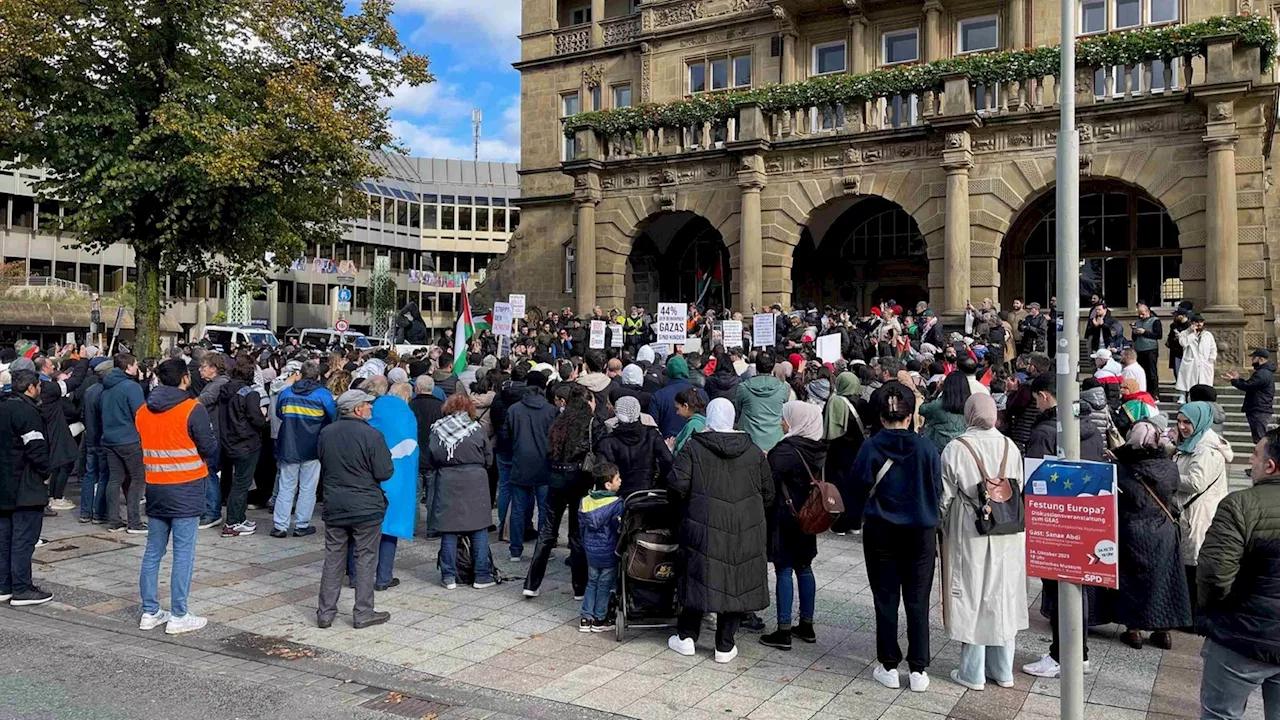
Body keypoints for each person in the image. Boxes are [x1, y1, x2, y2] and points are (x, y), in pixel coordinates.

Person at [848, 381, 942, 692]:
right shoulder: (927, 447)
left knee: (885, 599)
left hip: (881, 532)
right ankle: (918, 669)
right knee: (918, 601)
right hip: (921, 532)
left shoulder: (871, 447)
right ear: (910, 414)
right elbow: (937, 489)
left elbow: (857, 488)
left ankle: (888, 664)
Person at [668, 398, 774, 664]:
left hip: (702, 524)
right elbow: (768, 493)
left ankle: (687, 637)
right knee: (735, 581)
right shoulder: (752, 452)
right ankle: (725, 644)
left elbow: (676, 486)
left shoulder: (694, 448)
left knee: (697, 576)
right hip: (743, 527)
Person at [940, 394, 1027, 691]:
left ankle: (972, 672)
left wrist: (938, 527)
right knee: (1003, 595)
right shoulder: (1010, 446)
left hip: (969, 528)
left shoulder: (957, 448)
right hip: (1008, 529)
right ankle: (1003, 670)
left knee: (972, 594)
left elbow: (944, 495)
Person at [1196, 426, 1280, 720]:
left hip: (1242, 636)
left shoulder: (1240, 505)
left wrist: (1214, 611)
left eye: (1255, 454)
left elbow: (1214, 572)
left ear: (1270, 466)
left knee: (1221, 715)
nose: (1250, 459)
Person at [136, 358, 220, 634]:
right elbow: (208, 448)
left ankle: (149, 611)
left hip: (156, 487)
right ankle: (179, 614)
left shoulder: (143, 411)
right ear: (185, 379)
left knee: (153, 552)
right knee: (183, 554)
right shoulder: (192, 409)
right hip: (186, 488)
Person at [316, 389, 394, 629]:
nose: (371, 408)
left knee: (333, 558)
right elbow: (384, 472)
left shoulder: (326, 433)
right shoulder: (372, 435)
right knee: (365, 557)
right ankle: (363, 612)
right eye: (368, 405)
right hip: (365, 506)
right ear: (358, 409)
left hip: (335, 503)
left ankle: (325, 613)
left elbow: (323, 461)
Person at [1112, 421, 1192, 650]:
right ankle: (1162, 631)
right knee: (1164, 578)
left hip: (1131, 529)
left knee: (1131, 579)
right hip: (1163, 528)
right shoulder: (1170, 467)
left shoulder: (1123, 468)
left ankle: (1134, 630)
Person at [759, 401, 826, 651]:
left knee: (784, 569)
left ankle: (783, 630)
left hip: (785, 515)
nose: (782, 422)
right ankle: (806, 625)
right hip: (809, 514)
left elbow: (768, 478)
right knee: (805, 567)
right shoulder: (816, 447)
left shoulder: (786, 450)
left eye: (785, 418)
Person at [523, 385, 597, 599]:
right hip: (579, 480)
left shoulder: (558, 422)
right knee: (576, 533)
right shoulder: (591, 423)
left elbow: (549, 451)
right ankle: (579, 587)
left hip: (555, 479)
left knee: (547, 531)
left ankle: (531, 583)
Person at [424, 392, 495, 590]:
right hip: (475, 480)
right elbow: (488, 456)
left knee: (449, 529)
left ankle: (449, 576)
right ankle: (481, 575)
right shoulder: (476, 429)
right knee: (478, 528)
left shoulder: (437, 430)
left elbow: (431, 457)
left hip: (447, 480)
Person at [354, 382, 419, 592]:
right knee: (390, 528)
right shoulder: (408, 416)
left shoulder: (374, 409)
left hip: (368, 478)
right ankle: (383, 577)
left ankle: (356, 576)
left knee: (361, 530)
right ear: (406, 398)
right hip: (398, 478)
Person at [1173, 401, 1233, 614]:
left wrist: (1168, 476)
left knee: (1195, 564)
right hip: (1192, 512)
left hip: (1199, 514)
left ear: (1199, 422)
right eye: (1179, 421)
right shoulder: (1193, 441)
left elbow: (1197, 482)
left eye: (1187, 422)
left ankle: (1194, 614)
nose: (1181, 426)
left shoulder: (1205, 449)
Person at [0, 369, 54, 606]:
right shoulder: (27, 411)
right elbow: (36, 448)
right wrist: (45, 473)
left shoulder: (3, 406)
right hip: (25, 486)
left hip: (4, 485)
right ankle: (21, 588)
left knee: (4, 538)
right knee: (23, 539)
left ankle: (4, 585)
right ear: (31, 388)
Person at [271, 361, 335, 538]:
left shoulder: (286, 392)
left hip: (288, 445)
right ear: (318, 376)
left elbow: (279, 413)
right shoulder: (323, 394)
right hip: (313, 446)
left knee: (286, 486)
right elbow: (332, 417)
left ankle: (280, 526)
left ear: (300, 374)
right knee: (308, 487)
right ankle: (301, 525)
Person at [503, 370, 558, 562]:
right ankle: (543, 549)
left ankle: (515, 550)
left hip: (520, 462)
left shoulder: (514, 409)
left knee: (518, 508)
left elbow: (506, 436)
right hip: (544, 464)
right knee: (544, 509)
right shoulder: (551, 410)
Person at [219, 355, 267, 537]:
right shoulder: (250, 393)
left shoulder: (224, 389)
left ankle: (239, 517)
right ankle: (232, 523)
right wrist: (264, 420)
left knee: (234, 482)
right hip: (246, 443)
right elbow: (257, 419)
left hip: (228, 440)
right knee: (241, 484)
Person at [100, 353, 148, 533]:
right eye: (135, 365)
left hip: (109, 439)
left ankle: (114, 520)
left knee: (115, 479)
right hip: (129, 439)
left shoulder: (106, 387)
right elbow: (141, 414)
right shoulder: (131, 387)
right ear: (128, 367)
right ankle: (134, 522)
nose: (137, 368)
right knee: (138, 478)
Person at [578, 461, 624, 633]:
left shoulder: (585, 502)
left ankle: (585, 617)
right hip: (608, 551)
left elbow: (582, 527)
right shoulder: (616, 504)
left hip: (591, 550)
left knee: (591, 583)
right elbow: (616, 529)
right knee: (604, 585)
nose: (620, 481)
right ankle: (599, 618)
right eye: (618, 478)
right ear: (608, 484)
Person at [597, 395, 672, 496]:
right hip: (648, 490)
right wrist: (659, 484)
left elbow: (601, 472)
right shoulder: (651, 434)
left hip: (619, 493)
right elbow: (668, 461)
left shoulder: (608, 441)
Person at [735, 354, 791, 452]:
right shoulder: (783, 388)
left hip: (749, 440)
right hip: (775, 439)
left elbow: (738, 410)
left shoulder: (743, 388)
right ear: (773, 367)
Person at [650, 356, 706, 440]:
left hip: (667, 444)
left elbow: (652, 427)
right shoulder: (701, 393)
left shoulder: (659, 395)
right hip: (696, 445)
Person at [1227, 349, 1276, 444]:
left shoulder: (1262, 373)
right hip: (1260, 409)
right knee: (1259, 438)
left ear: (1261, 359)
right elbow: (1251, 384)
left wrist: (1234, 381)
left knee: (1260, 440)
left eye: (1254, 358)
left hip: (1259, 409)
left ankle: (1264, 457)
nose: (1252, 360)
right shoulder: (1264, 372)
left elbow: (1248, 386)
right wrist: (1238, 379)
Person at [919, 371, 970, 454]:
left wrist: (935, 393)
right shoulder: (969, 404)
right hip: (962, 446)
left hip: (938, 447)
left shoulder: (938, 404)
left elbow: (922, 409)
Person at [1176, 315, 1217, 402]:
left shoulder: (1208, 335)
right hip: (1190, 360)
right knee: (1187, 380)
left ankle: (1203, 397)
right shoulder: (1184, 333)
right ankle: (1183, 395)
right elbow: (1183, 343)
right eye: (1196, 322)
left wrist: (1212, 358)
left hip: (1204, 362)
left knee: (1203, 381)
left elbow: (1213, 347)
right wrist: (1193, 335)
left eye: (1201, 322)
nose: (1199, 324)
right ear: (1192, 323)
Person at [1131, 302, 1162, 399]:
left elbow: (1158, 335)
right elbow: (1134, 338)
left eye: (1142, 314)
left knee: (1151, 373)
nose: (1140, 316)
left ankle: (1155, 394)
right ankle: (1144, 392)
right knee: (1142, 372)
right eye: (1139, 314)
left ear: (1148, 312)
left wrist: (1145, 332)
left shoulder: (1155, 321)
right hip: (1139, 349)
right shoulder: (1137, 322)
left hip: (1150, 349)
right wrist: (1135, 331)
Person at [669, 388, 707, 456]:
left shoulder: (693, 425)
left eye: (678, 408)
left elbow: (682, 451)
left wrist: (671, 448)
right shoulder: (702, 422)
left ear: (686, 406)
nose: (677, 412)